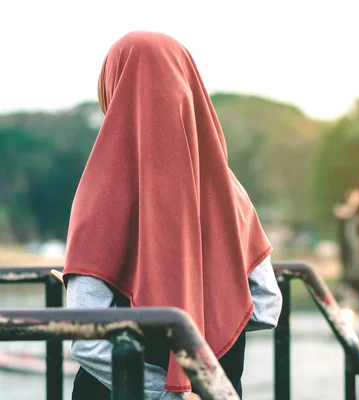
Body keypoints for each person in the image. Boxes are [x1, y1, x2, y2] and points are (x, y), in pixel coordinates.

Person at [64, 31, 282, 399]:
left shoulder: (100, 192)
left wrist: (167, 393)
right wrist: (206, 325)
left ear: (113, 92)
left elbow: (85, 340)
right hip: (215, 389)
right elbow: (266, 305)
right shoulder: (229, 191)